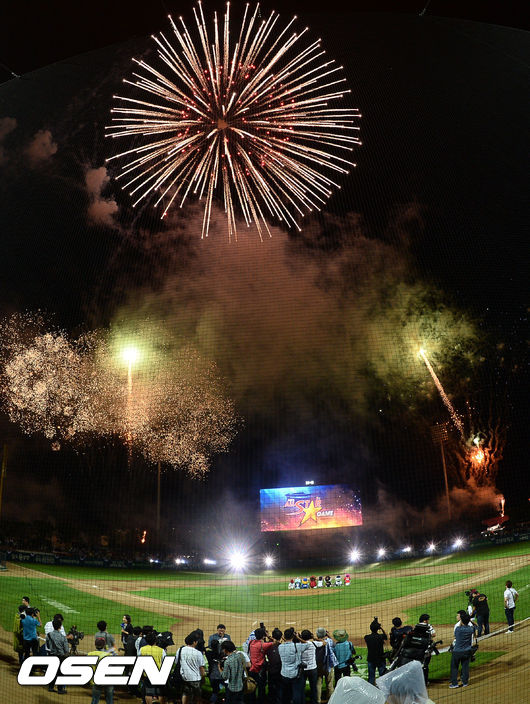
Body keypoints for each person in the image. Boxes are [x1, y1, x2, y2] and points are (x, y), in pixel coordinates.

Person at [278, 627, 310, 704]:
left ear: (284, 637)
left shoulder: (280, 647)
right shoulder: (297, 646)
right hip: (295, 674)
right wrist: (298, 637)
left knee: (286, 694)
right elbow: (307, 644)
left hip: (284, 674)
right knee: (297, 693)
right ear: (293, 636)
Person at [449, 612, 476, 688]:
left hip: (457, 651)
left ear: (461, 621)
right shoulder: (471, 629)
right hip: (467, 651)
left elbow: (455, 636)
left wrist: (461, 622)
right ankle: (465, 682)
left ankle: (454, 684)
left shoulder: (458, 629)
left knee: (454, 667)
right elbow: (474, 626)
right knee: (465, 667)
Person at [140, 629, 167, 704]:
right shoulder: (161, 650)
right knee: (160, 693)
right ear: (156, 640)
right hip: (159, 675)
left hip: (147, 675)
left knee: (149, 693)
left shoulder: (142, 649)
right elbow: (164, 663)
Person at [249, 626, 274, 702]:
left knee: (252, 688)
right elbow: (275, 641)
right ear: (263, 636)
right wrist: (268, 636)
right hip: (260, 671)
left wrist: (263, 636)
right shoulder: (263, 645)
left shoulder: (251, 642)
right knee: (261, 688)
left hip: (252, 669)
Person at [180, 632, 206, 704]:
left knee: (185, 694)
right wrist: (203, 677)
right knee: (197, 696)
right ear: (194, 642)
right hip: (195, 678)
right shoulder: (198, 653)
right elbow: (201, 667)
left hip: (185, 677)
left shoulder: (181, 650)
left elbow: (177, 661)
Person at [299, 629, 324, 704]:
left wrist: (298, 638)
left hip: (303, 669)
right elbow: (324, 642)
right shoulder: (314, 643)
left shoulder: (299, 645)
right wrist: (314, 638)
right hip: (312, 669)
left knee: (301, 688)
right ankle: (314, 702)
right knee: (313, 688)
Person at [208, 623, 231, 702]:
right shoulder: (212, 637)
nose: (221, 631)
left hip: (214, 674)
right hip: (222, 673)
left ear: (224, 630)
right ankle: (226, 700)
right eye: (220, 629)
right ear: (217, 630)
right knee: (227, 687)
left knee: (215, 691)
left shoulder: (227, 636)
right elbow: (210, 646)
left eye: (222, 630)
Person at [46, 617, 69, 694]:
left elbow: (48, 646)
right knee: (60, 673)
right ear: (60, 626)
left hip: (51, 656)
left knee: (52, 671)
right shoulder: (63, 637)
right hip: (60, 657)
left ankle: (51, 687)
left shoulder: (49, 635)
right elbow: (66, 650)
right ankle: (60, 689)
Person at [88, 637, 113, 704]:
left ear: (95, 645)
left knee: (94, 700)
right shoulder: (109, 655)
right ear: (104, 645)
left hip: (96, 681)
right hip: (107, 681)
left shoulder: (90, 654)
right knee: (109, 700)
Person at [315, 627, 337, 704]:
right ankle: (331, 701)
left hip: (318, 666)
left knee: (318, 684)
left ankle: (318, 700)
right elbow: (335, 644)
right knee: (330, 684)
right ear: (325, 634)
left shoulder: (314, 643)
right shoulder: (330, 641)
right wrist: (329, 636)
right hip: (328, 666)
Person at [364, 619, 387, 686]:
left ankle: (371, 690)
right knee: (383, 677)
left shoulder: (367, 637)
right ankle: (383, 690)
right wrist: (381, 628)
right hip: (380, 659)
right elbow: (385, 636)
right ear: (378, 628)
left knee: (371, 677)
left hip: (371, 659)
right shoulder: (381, 637)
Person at [265, 627, 284, 704]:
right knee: (279, 687)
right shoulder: (283, 646)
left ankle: (271, 701)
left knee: (271, 688)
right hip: (280, 670)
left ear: (273, 636)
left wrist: (268, 637)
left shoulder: (268, 646)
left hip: (271, 670)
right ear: (281, 637)